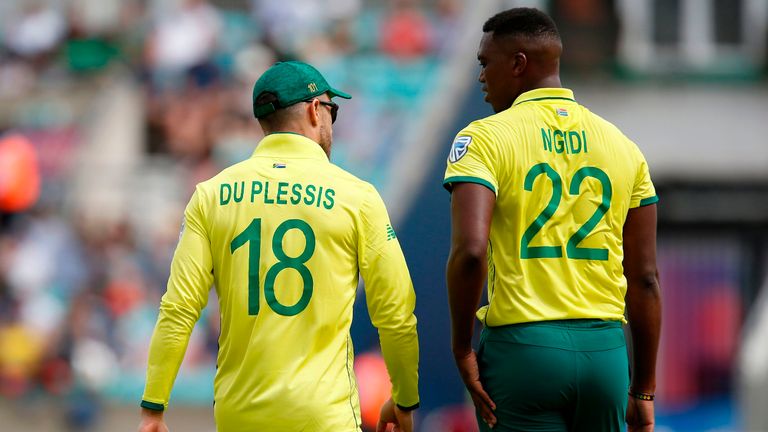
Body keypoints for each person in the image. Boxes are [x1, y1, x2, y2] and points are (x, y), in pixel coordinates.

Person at [138, 61, 419, 432]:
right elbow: (396, 313)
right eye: (333, 110)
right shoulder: (358, 197)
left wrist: (153, 409)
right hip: (322, 414)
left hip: (239, 414)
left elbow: (178, 309)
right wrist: (404, 399)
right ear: (315, 110)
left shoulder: (211, 195)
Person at [443, 8, 661, 432]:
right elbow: (647, 277)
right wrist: (644, 389)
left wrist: (461, 349)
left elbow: (471, 251)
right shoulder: (624, 147)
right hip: (605, 354)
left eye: (485, 64)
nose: (481, 77)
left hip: (523, 351)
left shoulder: (484, 137)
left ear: (518, 64)